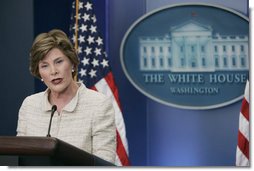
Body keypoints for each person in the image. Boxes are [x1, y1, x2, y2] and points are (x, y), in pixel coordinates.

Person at [16, 29, 116, 164]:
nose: (53, 71)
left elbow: (104, 163)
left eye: (59, 62)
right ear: (39, 73)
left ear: (72, 63)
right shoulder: (29, 105)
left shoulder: (98, 104)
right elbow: (19, 158)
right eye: (45, 66)